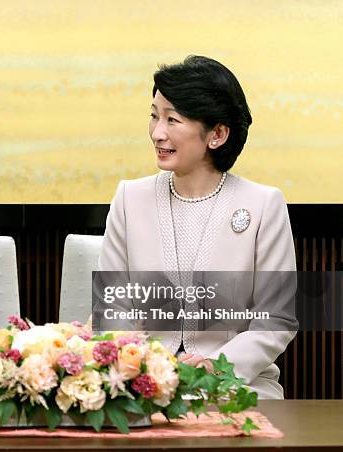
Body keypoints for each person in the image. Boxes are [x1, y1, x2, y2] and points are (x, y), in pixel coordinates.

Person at [98, 55, 297, 399]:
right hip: (143, 383)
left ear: (217, 134)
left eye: (172, 119)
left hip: (236, 384)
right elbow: (111, 307)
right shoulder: (130, 198)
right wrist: (145, 367)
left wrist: (213, 366)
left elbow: (276, 320)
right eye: (154, 116)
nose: (157, 133)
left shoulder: (264, 205)